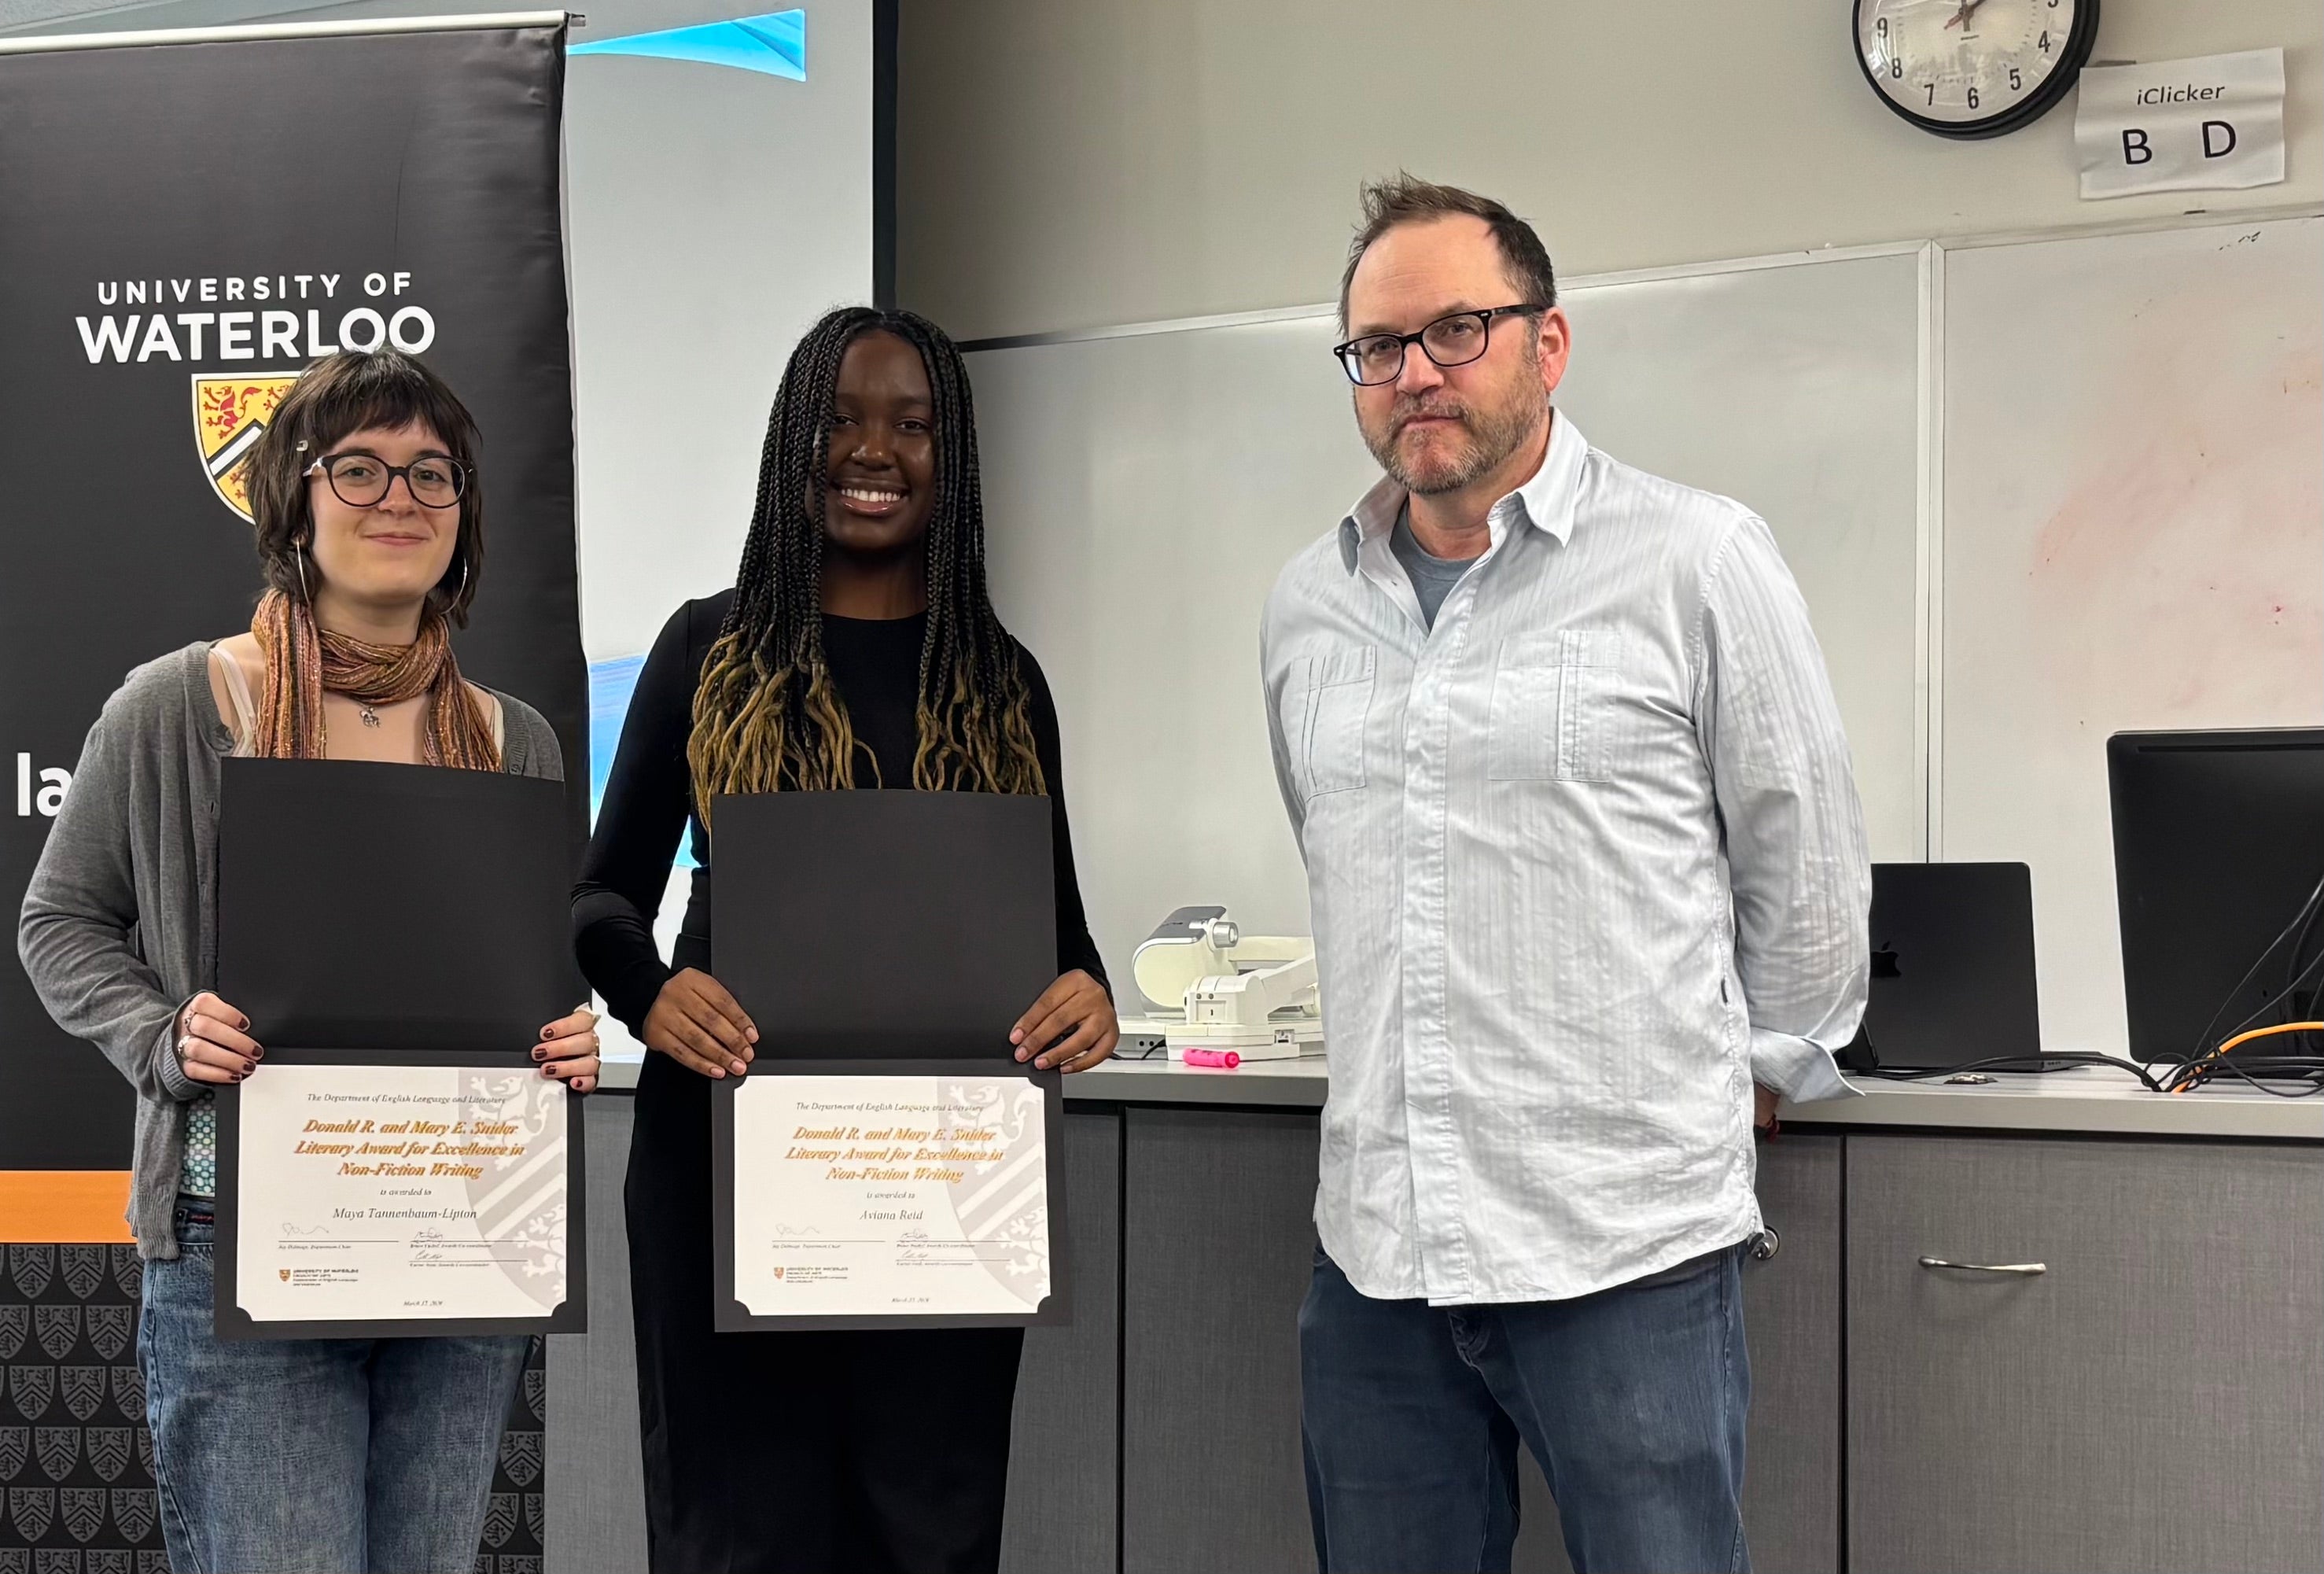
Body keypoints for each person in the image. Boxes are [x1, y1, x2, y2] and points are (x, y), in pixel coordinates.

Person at [1262, 175, 1869, 1574]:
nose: (1414, 372)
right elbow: (1338, 849)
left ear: (1549, 343)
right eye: (1376, 346)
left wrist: (1758, 1064)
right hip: (1378, 1257)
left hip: (1624, 1251)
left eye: (1456, 328)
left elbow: (1808, 863)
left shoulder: (1696, 558)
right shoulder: (1307, 605)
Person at [18, 348, 601, 1574]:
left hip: (457, 1239)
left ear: (466, 511)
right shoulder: (178, 708)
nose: (400, 497)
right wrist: (164, 1035)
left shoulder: (518, 741)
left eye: (432, 473)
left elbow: (525, 968)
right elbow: (59, 923)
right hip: (247, 1242)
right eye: (360, 467)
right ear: (294, 492)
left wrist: (564, 1029)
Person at [573, 306, 1116, 1572]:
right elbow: (599, 901)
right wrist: (650, 993)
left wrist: (1083, 997)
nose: (875, 449)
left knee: (929, 1532)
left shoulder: (1002, 679)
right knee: (736, 1536)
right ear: (793, 442)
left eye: (913, 423)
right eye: (843, 417)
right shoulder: (709, 649)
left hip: (943, 1191)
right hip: (722, 1168)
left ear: (952, 455)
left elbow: (1067, 941)